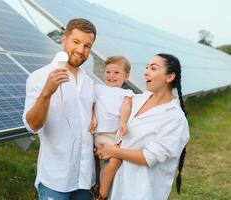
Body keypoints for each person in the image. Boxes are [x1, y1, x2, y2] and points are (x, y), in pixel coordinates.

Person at [97, 53, 190, 200]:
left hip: (140, 192)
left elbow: (150, 157)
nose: (146, 72)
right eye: (146, 67)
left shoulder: (175, 118)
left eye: (153, 68)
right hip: (115, 186)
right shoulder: (137, 99)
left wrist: (113, 150)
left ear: (169, 77)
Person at [22, 18, 96, 200]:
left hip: (85, 180)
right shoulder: (39, 77)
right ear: (64, 40)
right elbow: (32, 125)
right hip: (56, 180)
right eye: (76, 42)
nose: (81, 50)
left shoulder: (89, 82)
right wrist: (47, 93)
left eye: (87, 45)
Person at [88, 56, 134, 199]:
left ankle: (101, 187)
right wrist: (93, 117)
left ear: (126, 76)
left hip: (116, 134)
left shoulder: (127, 93)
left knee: (114, 161)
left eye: (116, 73)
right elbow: (90, 104)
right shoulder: (99, 89)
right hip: (101, 133)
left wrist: (123, 122)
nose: (111, 76)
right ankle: (102, 193)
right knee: (116, 160)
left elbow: (126, 107)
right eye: (108, 72)